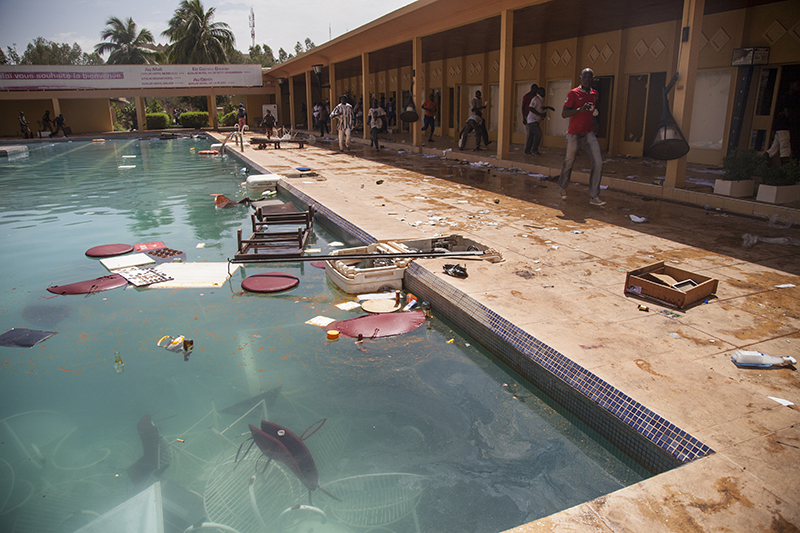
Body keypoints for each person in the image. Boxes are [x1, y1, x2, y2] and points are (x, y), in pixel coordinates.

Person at [558, 68, 606, 206]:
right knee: (569, 161)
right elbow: (564, 113)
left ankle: (594, 196)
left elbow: (592, 112)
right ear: (581, 78)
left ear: (592, 79)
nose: (587, 80)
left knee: (598, 163)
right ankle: (562, 186)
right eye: (584, 78)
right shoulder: (573, 93)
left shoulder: (594, 94)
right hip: (574, 134)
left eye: (589, 78)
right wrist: (580, 109)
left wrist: (594, 119)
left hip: (588, 133)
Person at [765, 80, 799, 166]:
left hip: (780, 125)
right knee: (785, 147)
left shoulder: (786, 97)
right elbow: (786, 111)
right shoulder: (787, 97)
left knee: (773, 149)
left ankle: (761, 161)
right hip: (783, 125)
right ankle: (786, 169)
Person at [525, 87, 548, 155]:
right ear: (538, 92)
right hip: (532, 120)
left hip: (536, 120)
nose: (544, 93)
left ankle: (527, 150)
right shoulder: (536, 99)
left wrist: (547, 107)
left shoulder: (540, 100)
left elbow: (539, 108)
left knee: (531, 135)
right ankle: (534, 150)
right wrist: (540, 114)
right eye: (542, 92)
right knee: (538, 134)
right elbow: (531, 108)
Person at [521, 84, 538, 153]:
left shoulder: (536, 97)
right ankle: (526, 148)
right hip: (527, 116)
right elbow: (523, 106)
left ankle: (532, 148)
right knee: (528, 133)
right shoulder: (526, 96)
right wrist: (523, 117)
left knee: (533, 133)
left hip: (534, 118)